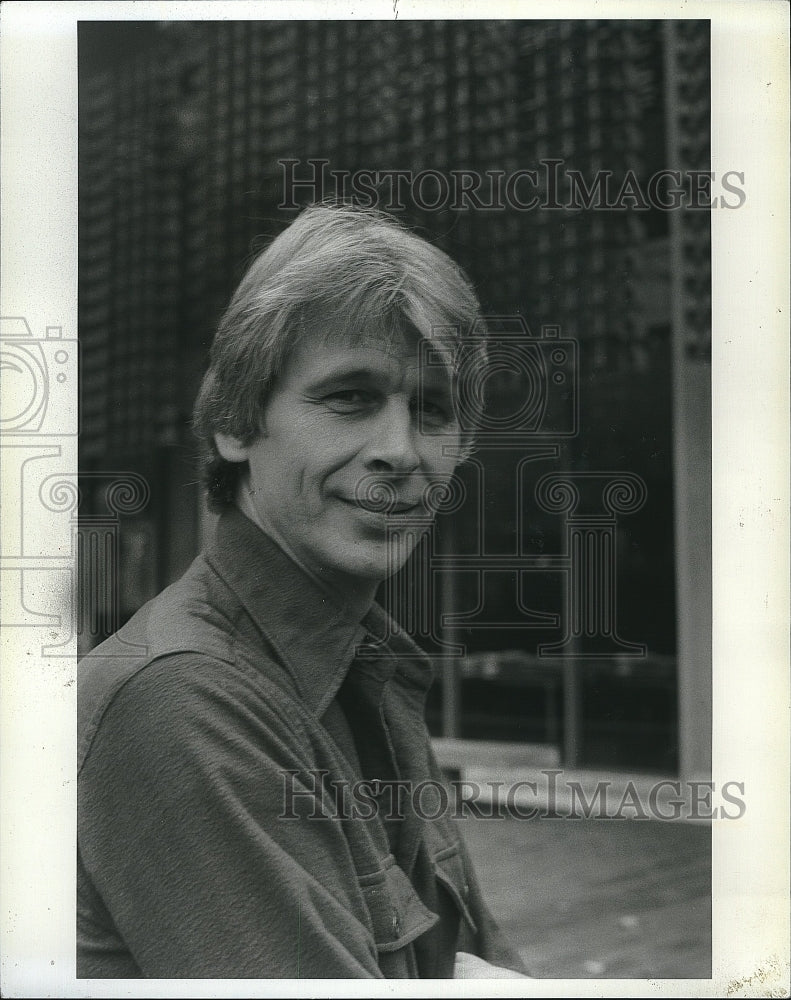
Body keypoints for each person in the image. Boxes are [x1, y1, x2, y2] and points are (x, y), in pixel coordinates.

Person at [77, 203, 531, 980]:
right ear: (234, 423)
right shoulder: (179, 697)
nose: (399, 451)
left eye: (431, 409)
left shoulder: (370, 667)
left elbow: (480, 959)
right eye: (349, 397)